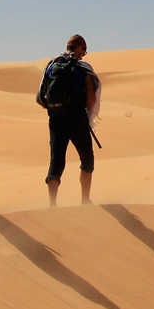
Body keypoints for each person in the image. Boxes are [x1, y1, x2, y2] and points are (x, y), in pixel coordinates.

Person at [37, 34, 100, 206]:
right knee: (87, 158)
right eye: (84, 50)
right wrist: (84, 113)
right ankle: (85, 200)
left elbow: (40, 97)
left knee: (56, 161)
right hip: (77, 118)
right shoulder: (83, 69)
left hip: (56, 118)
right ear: (79, 48)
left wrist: (56, 108)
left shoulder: (52, 65)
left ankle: (52, 204)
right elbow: (92, 100)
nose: (84, 54)